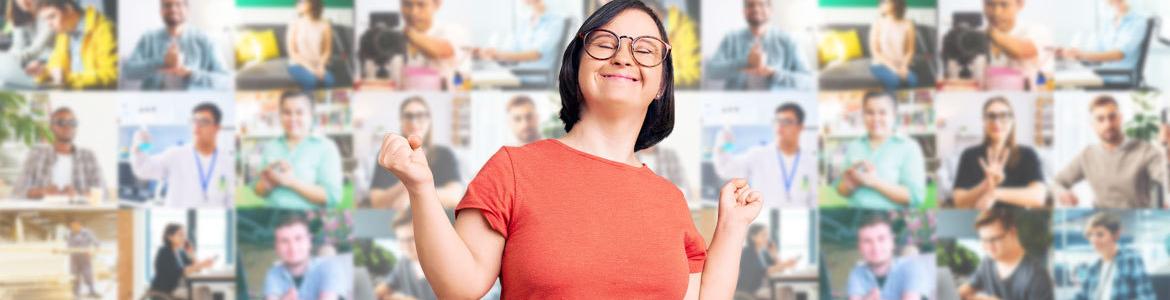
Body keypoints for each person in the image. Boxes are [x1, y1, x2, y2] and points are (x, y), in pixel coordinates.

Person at [376, 1, 763, 298]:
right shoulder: (513, 170)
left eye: (645, 49)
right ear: (576, 65)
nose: (623, 55)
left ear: (661, 83)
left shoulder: (669, 199)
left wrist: (731, 227)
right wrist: (421, 189)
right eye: (604, 43)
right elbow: (458, 287)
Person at [1055, 95, 1169, 208]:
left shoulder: (1145, 151)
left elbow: (1166, 182)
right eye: (1100, 119)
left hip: (1137, 221)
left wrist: (1167, 151)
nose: (1108, 124)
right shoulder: (1087, 155)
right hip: (1101, 222)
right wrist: (1062, 193)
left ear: (1120, 118)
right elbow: (1058, 182)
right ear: (1092, 124)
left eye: (1112, 117)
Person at [130, 102, 235, 208]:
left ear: (217, 128)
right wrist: (139, 148)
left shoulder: (228, 162)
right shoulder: (175, 155)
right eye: (194, 121)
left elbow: (230, 201)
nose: (196, 127)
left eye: (203, 122)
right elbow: (143, 169)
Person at [714, 102, 817, 208]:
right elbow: (725, 168)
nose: (780, 126)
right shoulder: (758, 155)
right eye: (777, 121)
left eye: (786, 122)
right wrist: (723, 146)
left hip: (798, 221)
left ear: (800, 127)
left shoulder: (810, 162)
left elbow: (814, 200)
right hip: (765, 221)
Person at [835, 91, 926, 209]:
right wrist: (851, 183)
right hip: (855, 218)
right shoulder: (854, 146)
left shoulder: (909, 147)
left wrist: (874, 182)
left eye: (882, 113)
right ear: (863, 115)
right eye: (869, 112)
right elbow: (841, 191)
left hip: (889, 221)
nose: (875, 118)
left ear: (894, 115)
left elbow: (916, 197)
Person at [952, 96, 1046, 209]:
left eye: (1003, 116)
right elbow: (959, 201)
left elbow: (1039, 197)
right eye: (991, 116)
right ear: (984, 121)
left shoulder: (1028, 154)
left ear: (1012, 121)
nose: (996, 122)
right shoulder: (969, 155)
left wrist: (995, 193)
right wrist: (985, 184)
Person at [254, 91, 344, 209]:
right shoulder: (271, 146)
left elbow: (333, 197)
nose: (292, 118)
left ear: (311, 115)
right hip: (271, 218)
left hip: (306, 222)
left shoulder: (326, 147)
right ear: (280, 115)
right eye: (287, 113)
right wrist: (269, 182)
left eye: (299, 112)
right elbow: (258, 191)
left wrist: (291, 182)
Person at [368, 96, 462, 209]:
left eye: (420, 115)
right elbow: (376, 202)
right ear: (401, 121)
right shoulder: (388, 153)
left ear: (429, 120)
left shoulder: (444, 154)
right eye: (408, 116)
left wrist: (411, 196)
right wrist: (404, 184)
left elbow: (455, 196)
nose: (414, 122)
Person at [122, 0, 231, 90]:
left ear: (187, 10)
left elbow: (225, 80)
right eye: (167, 5)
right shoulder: (148, 38)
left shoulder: (206, 40)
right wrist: (162, 62)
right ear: (161, 11)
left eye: (178, 4)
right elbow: (128, 71)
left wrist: (191, 74)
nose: (173, 9)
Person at [705, 0, 813, 90]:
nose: (756, 9)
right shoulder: (730, 38)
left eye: (762, 4)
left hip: (775, 106)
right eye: (750, 5)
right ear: (744, 11)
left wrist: (775, 74)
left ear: (771, 10)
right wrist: (746, 61)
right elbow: (711, 71)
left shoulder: (788, 40)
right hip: (737, 106)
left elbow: (807, 81)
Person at [958, 207, 1054, 300]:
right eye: (984, 240)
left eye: (993, 239)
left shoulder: (1037, 276)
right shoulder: (987, 263)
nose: (986, 247)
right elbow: (967, 288)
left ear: (1012, 232)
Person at [14, 107, 105, 200]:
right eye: (61, 122)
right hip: (43, 213)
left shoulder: (89, 156)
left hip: (80, 213)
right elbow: (18, 191)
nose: (68, 126)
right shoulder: (36, 155)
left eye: (72, 122)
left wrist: (77, 195)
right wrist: (44, 192)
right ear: (51, 127)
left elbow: (102, 193)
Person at [472, 0, 566, 86]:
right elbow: (512, 51)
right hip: (518, 74)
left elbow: (535, 54)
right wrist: (490, 53)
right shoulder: (526, 22)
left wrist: (498, 54)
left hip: (535, 78)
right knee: (473, 78)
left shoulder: (555, 21)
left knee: (475, 82)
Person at [1055, 0, 1148, 85]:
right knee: (1052, 78)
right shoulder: (1108, 21)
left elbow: (1119, 54)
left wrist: (1082, 55)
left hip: (1119, 78)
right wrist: (1072, 53)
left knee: (1055, 82)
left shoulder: (1138, 21)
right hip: (1102, 74)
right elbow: (1097, 53)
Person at [32, 0, 118, 89]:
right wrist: (43, 72)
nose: (49, 24)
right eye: (45, 19)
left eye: (52, 16)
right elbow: (57, 63)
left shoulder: (105, 29)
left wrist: (68, 78)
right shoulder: (63, 31)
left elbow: (112, 76)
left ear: (69, 9)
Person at [1071, 212, 1155, 300]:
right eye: (1091, 235)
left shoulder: (1131, 259)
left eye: (1100, 234)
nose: (1094, 240)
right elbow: (1082, 296)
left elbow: (1146, 296)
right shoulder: (1093, 268)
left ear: (1115, 235)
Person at [846, 214, 930, 300]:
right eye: (867, 241)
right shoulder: (857, 273)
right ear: (859, 247)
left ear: (892, 242)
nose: (875, 247)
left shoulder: (911, 267)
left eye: (881, 239)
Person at [264, 216, 347, 300]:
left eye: (298, 239)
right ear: (277, 247)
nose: (292, 247)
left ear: (309, 242)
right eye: (284, 241)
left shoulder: (328, 267)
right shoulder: (274, 273)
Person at [983, 0, 1052, 86]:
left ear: (1020, 4)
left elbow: (1022, 51)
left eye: (1004, 5)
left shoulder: (1038, 31)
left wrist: (991, 33)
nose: (996, 13)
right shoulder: (975, 34)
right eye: (989, 4)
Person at [400, 0, 467, 83]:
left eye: (421, 5)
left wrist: (409, 33)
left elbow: (441, 51)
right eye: (407, 4)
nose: (413, 12)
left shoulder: (452, 31)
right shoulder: (392, 37)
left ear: (437, 4)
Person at [374, 211, 437, 300]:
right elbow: (387, 284)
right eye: (401, 240)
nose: (406, 246)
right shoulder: (404, 262)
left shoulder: (445, 267)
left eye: (411, 239)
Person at [148, 223, 217, 297]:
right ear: (170, 237)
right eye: (180, 234)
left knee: (205, 289)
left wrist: (192, 253)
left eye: (184, 235)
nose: (184, 238)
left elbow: (195, 268)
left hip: (178, 288)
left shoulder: (180, 252)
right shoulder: (164, 251)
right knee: (201, 292)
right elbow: (180, 271)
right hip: (165, 291)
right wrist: (202, 264)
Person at [868, 0, 917, 92]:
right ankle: (889, 104)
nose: (881, 4)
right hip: (881, 65)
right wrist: (893, 68)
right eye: (881, 2)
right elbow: (875, 52)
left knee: (912, 80)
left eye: (885, 2)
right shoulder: (877, 23)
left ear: (896, 3)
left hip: (901, 64)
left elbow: (910, 50)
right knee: (893, 80)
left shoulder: (908, 23)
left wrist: (904, 66)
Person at [736, 224, 798, 298]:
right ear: (753, 237)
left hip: (760, 288)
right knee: (785, 291)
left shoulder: (763, 253)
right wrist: (785, 264)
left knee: (788, 289)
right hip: (748, 290)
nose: (767, 238)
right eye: (763, 235)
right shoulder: (747, 252)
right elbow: (764, 271)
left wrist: (774, 254)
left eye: (767, 235)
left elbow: (778, 269)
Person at [286, 0, 334, 92]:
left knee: (329, 80)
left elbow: (327, 51)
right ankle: (307, 104)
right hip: (298, 64)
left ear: (313, 3)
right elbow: (292, 52)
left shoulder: (325, 25)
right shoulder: (294, 24)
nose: (298, 3)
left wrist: (321, 66)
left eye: (302, 1)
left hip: (317, 64)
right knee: (310, 80)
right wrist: (311, 69)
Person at [3, 0, 53, 68]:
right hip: (30, 62)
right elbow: (18, 46)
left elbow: (36, 49)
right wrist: (5, 58)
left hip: (50, 62)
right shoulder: (20, 14)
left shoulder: (50, 16)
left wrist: (7, 59)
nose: (23, 1)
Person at [65, 218, 100, 298]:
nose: (73, 228)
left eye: (75, 226)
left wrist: (94, 251)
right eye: (72, 227)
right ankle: (76, 294)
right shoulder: (70, 234)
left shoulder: (87, 233)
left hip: (85, 258)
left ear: (79, 225)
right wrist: (63, 251)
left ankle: (92, 291)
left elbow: (96, 243)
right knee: (75, 277)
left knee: (88, 275)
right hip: (74, 259)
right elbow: (68, 246)